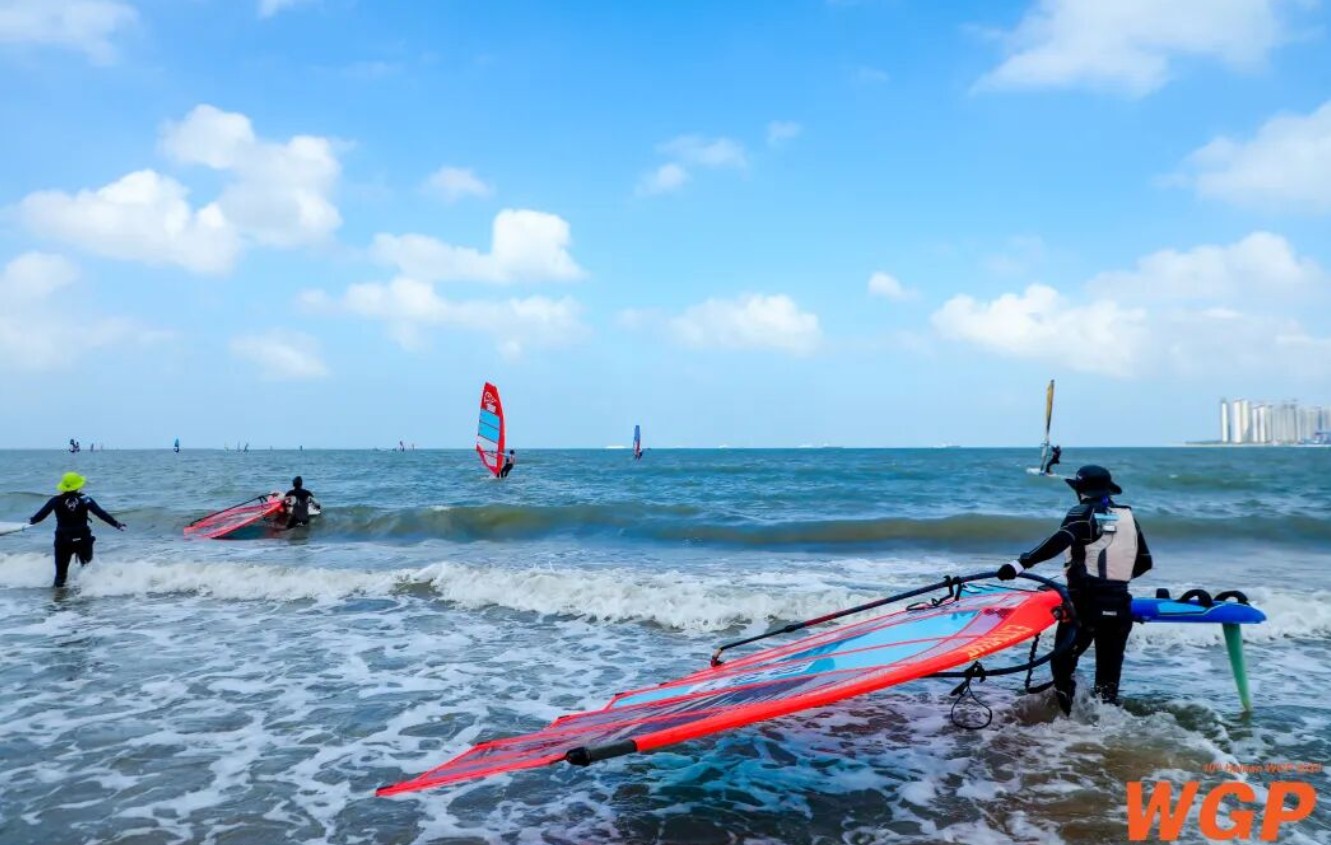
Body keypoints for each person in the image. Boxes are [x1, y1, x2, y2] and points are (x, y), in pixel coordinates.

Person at [998, 465, 1153, 715]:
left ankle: (1068, 724)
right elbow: (1145, 563)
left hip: (1085, 607)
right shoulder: (1127, 518)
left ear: (1079, 490)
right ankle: (1107, 727)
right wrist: (1112, 581)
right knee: (1108, 680)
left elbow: (1059, 540)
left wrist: (1018, 565)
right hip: (1120, 605)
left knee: (1062, 664)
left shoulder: (1083, 512)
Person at [28, 472, 125, 588]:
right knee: (87, 571)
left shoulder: (55, 501)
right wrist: (116, 524)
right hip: (83, 539)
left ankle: (58, 602)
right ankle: (86, 598)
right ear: (78, 485)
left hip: (63, 540)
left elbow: (39, 516)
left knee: (60, 576)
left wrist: (30, 521)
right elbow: (100, 513)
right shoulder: (85, 499)